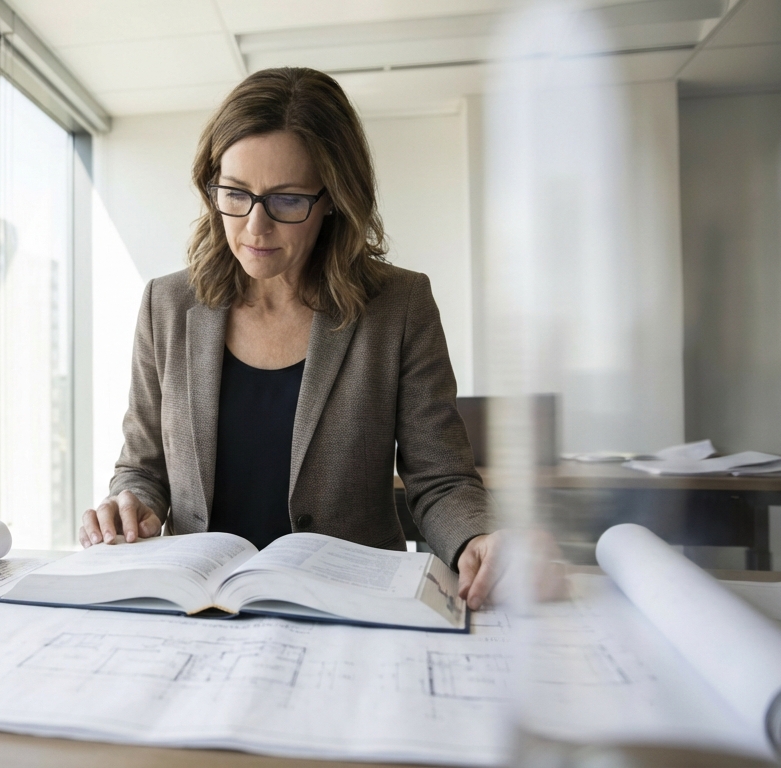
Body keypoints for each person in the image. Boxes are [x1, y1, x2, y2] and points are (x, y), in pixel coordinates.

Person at [77, 67, 561, 610]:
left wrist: (480, 537)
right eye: (235, 193)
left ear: (333, 198)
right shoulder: (166, 305)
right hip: (200, 610)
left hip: (347, 610)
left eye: (286, 201)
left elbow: (441, 479)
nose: (255, 228)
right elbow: (143, 467)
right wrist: (129, 503)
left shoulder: (398, 306)